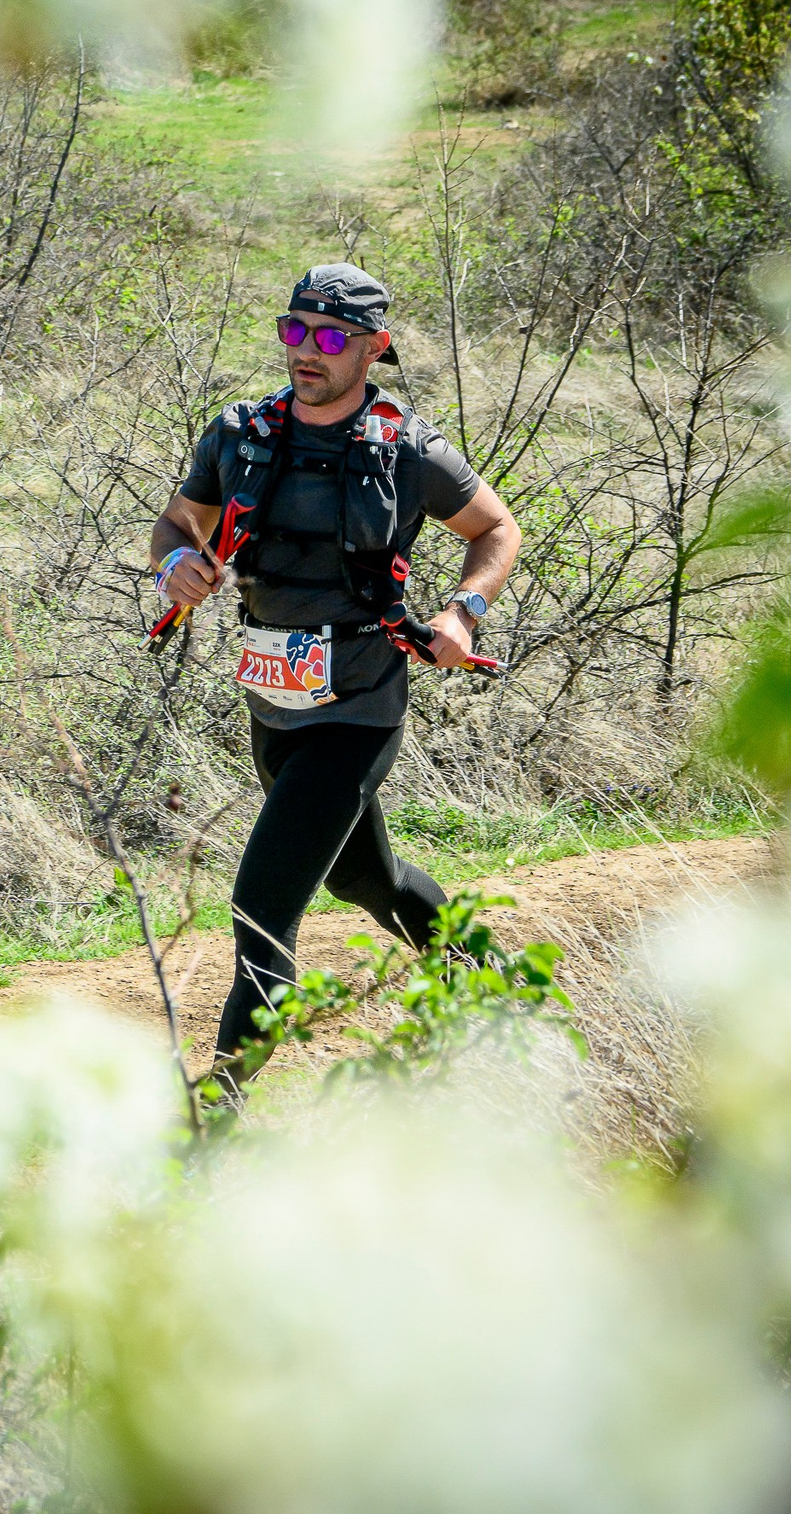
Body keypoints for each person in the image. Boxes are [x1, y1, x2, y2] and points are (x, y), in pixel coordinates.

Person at [149, 261, 520, 1100]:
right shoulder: (239, 432)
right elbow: (177, 521)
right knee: (364, 879)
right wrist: (174, 562)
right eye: (293, 329)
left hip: (358, 707)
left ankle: (217, 1113)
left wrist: (463, 612)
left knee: (261, 908)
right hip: (274, 707)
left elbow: (497, 528)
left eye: (328, 336)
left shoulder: (408, 450)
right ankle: (497, 988)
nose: (305, 350)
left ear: (374, 347)